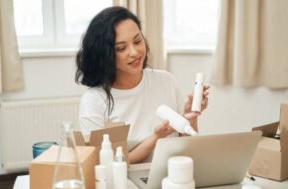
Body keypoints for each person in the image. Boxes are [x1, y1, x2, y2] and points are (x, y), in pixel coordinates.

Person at [75, 6, 209, 164]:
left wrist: (189, 116)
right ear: (104, 54)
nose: (134, 52)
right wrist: (155, 138)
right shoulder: (94, 100)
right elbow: (103, 165)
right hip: (124, 185)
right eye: (121, 48)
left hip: (171, 177)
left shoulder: (166, 81)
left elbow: (187, 147)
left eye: (138, 41)